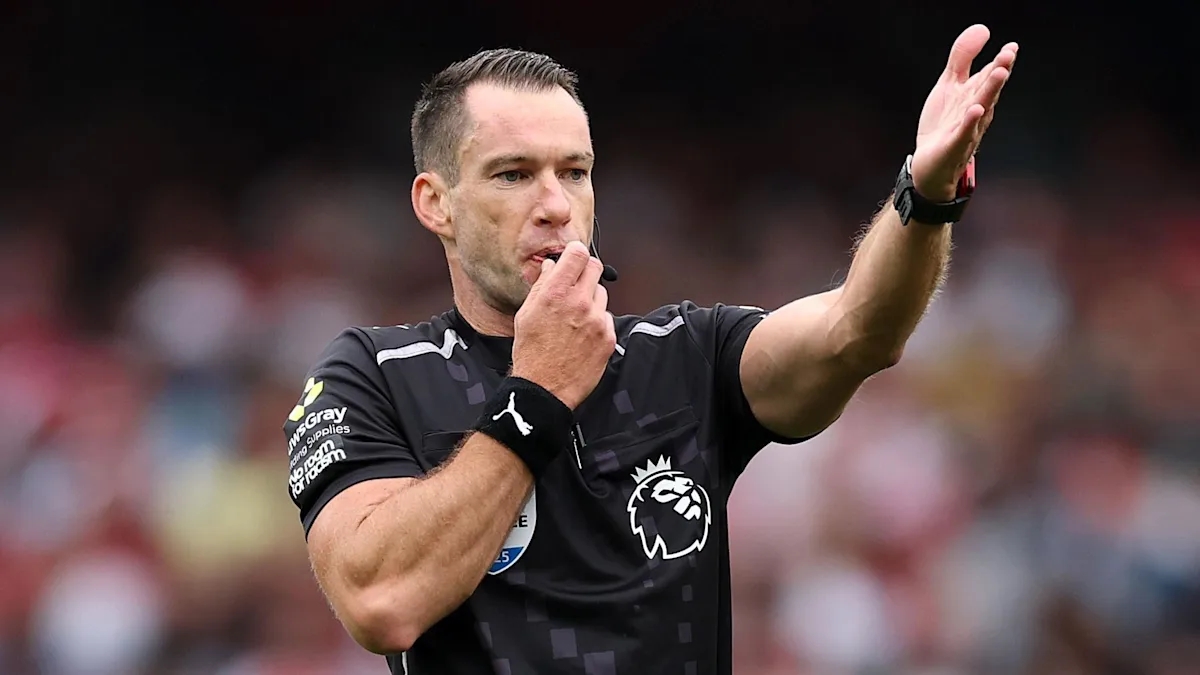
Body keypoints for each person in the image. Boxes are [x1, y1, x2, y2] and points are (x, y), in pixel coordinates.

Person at [283, 25, 1018, 675]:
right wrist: (537, 394)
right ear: (435, 203)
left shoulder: (684, 356)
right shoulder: (373, 374)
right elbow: (381, 603)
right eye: (513, 174)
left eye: (574, 172)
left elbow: (858, 329)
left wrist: (925, 196)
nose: (556, 205)